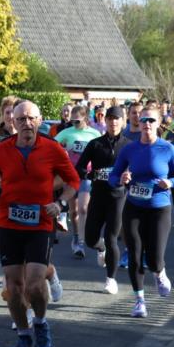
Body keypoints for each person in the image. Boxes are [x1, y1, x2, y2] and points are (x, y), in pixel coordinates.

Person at [0, 100, 79, 347]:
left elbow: (73, 180)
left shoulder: (53, 149)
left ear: (39, 121)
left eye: (31, 118)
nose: (27, 123)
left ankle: (40, 322)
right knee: (14, 288)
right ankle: (24, 335)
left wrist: (59, 203)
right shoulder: (1, 150)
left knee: (34, 285)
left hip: (40, 224)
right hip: (8, 225)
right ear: (12, 123)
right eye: (21, 119)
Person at [108, 104, 174, 317]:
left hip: (159, 209)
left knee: (154, 259)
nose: (147, 124)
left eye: (151, 120)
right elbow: (113, 177)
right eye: (143, 120)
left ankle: (160, 272)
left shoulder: (167, 149)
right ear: (138, 123)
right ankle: (139, 300)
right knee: (134, 255)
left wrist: (170, 183)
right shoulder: (129, 149)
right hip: (133, 207)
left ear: (158, 123)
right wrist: (121, 179)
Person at [76, 106, 129, 294]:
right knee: (90, 238)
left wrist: (129, 177)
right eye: (110, 119)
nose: (113, 122)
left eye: (117, 119)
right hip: (97, 195)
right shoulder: (95, 144)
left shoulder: (128, 146)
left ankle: (110, 279)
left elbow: (137, 170)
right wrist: (89, 175)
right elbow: (80, 167)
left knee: (112, 237)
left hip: (118, 197)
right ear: (105, 121)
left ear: (123, 121)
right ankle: (100, 249)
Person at [55, 106, 103, 258]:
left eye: (77, 120)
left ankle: (81, 241)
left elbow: (102, 152)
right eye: (72, 120)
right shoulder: (66, 133)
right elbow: (51, 145)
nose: (74, 123)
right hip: (70, 176)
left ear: (85, 118)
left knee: (83, 208)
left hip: (87, 176)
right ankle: (76, 237)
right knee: (73, 211)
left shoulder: (94, 134)